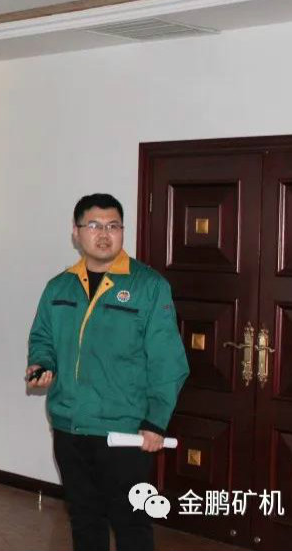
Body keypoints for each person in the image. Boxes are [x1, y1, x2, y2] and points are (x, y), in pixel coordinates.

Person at [26, 193, 188, 551]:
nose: (104, 234)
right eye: (94, 225)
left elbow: (169, 360)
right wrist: (42, 364)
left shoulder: (148, 286)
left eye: (113, 226)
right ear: (76, 232)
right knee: (84, 519)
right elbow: (43, 339)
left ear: (122, 231)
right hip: (70, 426)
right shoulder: (59, 287)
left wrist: (156, 420)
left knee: (131, 524)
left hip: (124, 432)